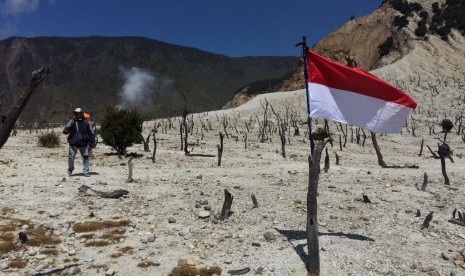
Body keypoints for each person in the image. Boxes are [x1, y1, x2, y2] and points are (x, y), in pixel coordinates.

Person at [63, 108, 96, 177]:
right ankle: (70, 169)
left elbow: (91, 133)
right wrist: (65, 130)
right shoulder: (72, 121)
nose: (76, 115)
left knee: (85, 158)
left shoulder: (87, 123)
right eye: (75, 113)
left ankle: (86, 171)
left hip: (83, 143)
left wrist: (92, 143)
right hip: (73, 143)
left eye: (77, 113)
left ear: (81, 114)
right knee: (71, 157)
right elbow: (67, 128)